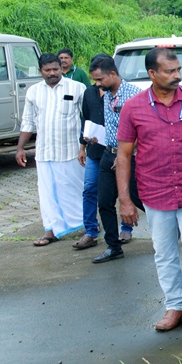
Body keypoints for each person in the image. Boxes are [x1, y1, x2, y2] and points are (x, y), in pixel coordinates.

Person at [116, 47, 182, 336]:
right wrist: (125, 199)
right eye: (170, 71)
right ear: (152, 74)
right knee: (164, 253)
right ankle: (176, 305)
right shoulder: (133, 107)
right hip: (155, 191)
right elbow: (123, 155)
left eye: (178, 70)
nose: (177, 76)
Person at [16, 53, 87, 246]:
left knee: (76, 190)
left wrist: (84, 145)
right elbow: (28, 121)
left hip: (71, 151)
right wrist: (20, 148)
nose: (52, 73)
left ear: (60, 68)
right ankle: (51, 230)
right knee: (47, 193)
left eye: (56, 69)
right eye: (47, 70)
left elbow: (87, 118)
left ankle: (88, 226)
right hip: (45, 152)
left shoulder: (77, 88)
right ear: (41, 71)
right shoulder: (33, 91)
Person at [87, 55, 143, 263]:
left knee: (140, 198)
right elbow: (112, 127)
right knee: (104, 201)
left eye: (100, 79)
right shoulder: (107, 95)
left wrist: (124, 155)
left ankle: (170, 230)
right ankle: (113, 246)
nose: (97, 84)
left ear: (112, 74)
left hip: (129, 156)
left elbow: (142, 130)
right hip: (108, 153)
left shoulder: (134, 95)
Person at [74, 55, 109, 251]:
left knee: (118, 191)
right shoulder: (89, 93)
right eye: (95, 79)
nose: (98, 83)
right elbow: (85, 120)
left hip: (114, 152)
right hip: (94, 152)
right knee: (89, 190)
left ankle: (126, 228)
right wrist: (82, 147)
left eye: (100, 78)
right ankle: (90, 230)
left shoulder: (118, 93)